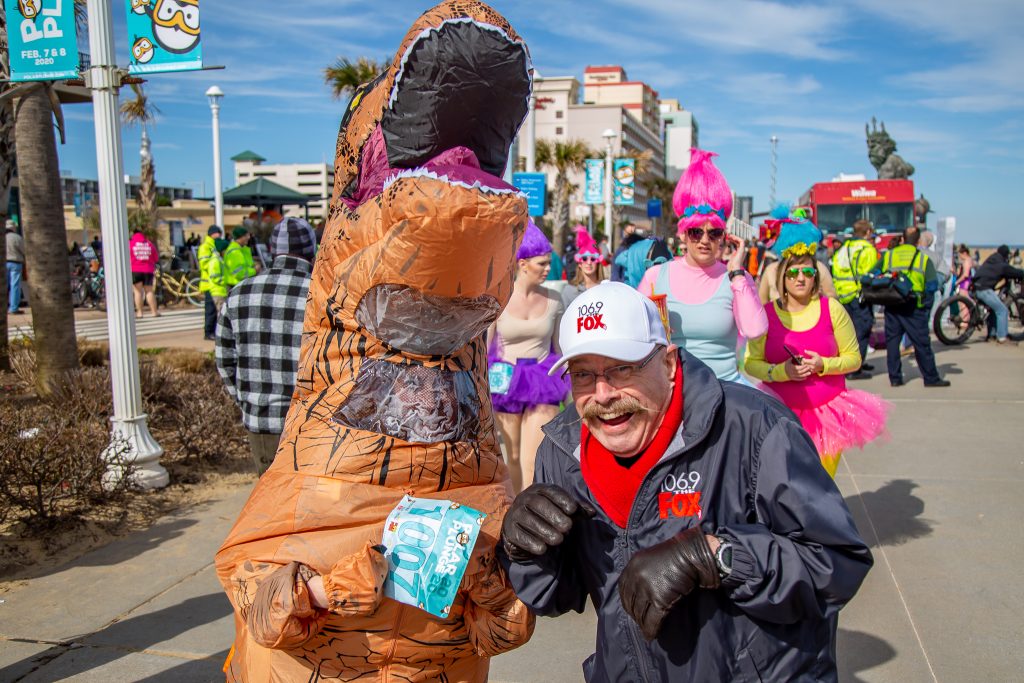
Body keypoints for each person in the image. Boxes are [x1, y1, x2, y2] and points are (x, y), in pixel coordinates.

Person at [216, 3, 535, 678]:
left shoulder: (475, 451)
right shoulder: (320, 442)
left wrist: (492, 586)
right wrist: (322, 591)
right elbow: (256, 592)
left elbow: (504, 625)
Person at [499, 281, 873, 682]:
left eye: (622, 368)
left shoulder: (755, 427)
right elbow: (555, 596)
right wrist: (524, 550)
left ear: (668, 362)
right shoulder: (562, 450)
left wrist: (717, 556)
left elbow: (836, 564)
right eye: (583, 374)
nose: (603, 394)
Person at [745, 219, 890, 476]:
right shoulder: (765, 315)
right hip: (780, 416)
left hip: (827, 417)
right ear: (782, 277)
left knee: (821, 484)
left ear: (816, 276)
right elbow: (750, 363)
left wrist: (824, 364)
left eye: (808, 273)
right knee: (784, 484)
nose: (800, 278)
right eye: (793, 273)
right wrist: (782, 371)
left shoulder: (832, 309)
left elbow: (854, 358)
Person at [638, 148, 768, 385]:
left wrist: (737, 273)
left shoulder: (735, 278)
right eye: (696, 232)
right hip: (673, 390)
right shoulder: (655, 276)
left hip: (725, 388)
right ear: (683, 234)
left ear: (724, 236)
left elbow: (755, 330)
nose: (705, 240)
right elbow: (637, 334)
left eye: (714, 232)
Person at [216, 218, 315, 475]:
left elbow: (225, 360)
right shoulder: (323, 294)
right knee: (312, 496)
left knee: (269, 493)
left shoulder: (238, 294)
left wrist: (246, 400)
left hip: (261, 420)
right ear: (312, 251)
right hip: (312, 422)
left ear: (271, 251)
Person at [489, 221, 570, 492]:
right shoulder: (499, 298)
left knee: (532, 458)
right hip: (505, 381)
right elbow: (485, 349)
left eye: (549, 263)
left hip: (542, 382)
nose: (548, 269)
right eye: (542, 264)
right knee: (510, 457)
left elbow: (560, 350)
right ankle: (512, 507)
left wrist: (571, 394)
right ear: (523, 264)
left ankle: (529, 508)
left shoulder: (555, 300)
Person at [881, 226, 950, 387]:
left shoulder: (889, 256)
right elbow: (932, 285)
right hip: (914, 306)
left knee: (892, 343)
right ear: (918, 241)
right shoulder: (923, 258)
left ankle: (895, 378)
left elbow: (875, 273)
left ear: (902, 239)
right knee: (922, 344)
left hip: (892, 303)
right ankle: (931, 378)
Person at [831, 219, 880, 378]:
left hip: (843, 296)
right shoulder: (867, 249)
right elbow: (870, 276)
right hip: (860, 296)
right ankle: (854, 368)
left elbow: (835, 272)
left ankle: (854, 363)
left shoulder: (844, 248)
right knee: (862, 330)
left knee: (848, 332)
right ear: (868, 232)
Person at [973, 245, 1024, 343]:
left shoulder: (991, 259)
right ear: (1006, 255)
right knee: (1002, 310)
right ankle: (1002, 337)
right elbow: (1013, 271)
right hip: (984, 289)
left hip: (976, 287)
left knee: (993, 309)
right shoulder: (1002, 264)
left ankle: (991, 335)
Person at [561, 225, 606, 309]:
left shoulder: (606, 288)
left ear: (598, 262)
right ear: (579, 263)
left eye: (593, 259)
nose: (589, 262)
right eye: (584, 258)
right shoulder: (569, 291)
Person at [198, 225, 223, 339]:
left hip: (214, 283)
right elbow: (204, 264)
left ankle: (212, 331)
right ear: (212, 233)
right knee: (210, 309)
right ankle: (208, 332)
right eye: (218, 233)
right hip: (208, 283)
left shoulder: (213, 245)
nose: (219, 235)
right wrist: (215, 263)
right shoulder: (206, 246)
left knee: (213, 309)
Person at [128, 228, 160, 318]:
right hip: (148, 270)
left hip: (135, 270)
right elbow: (156, 258)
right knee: (149, 291)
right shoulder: (149, 244)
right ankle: (154, 312)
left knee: (137, 292)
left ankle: (140, 313)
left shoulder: (130, 244)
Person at [5, 219, 25, 314]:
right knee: (15, 286)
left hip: (4, 264)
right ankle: (13, 308)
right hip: (15, 263)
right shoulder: (17, 237)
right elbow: (24, 250)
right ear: (13, 228)